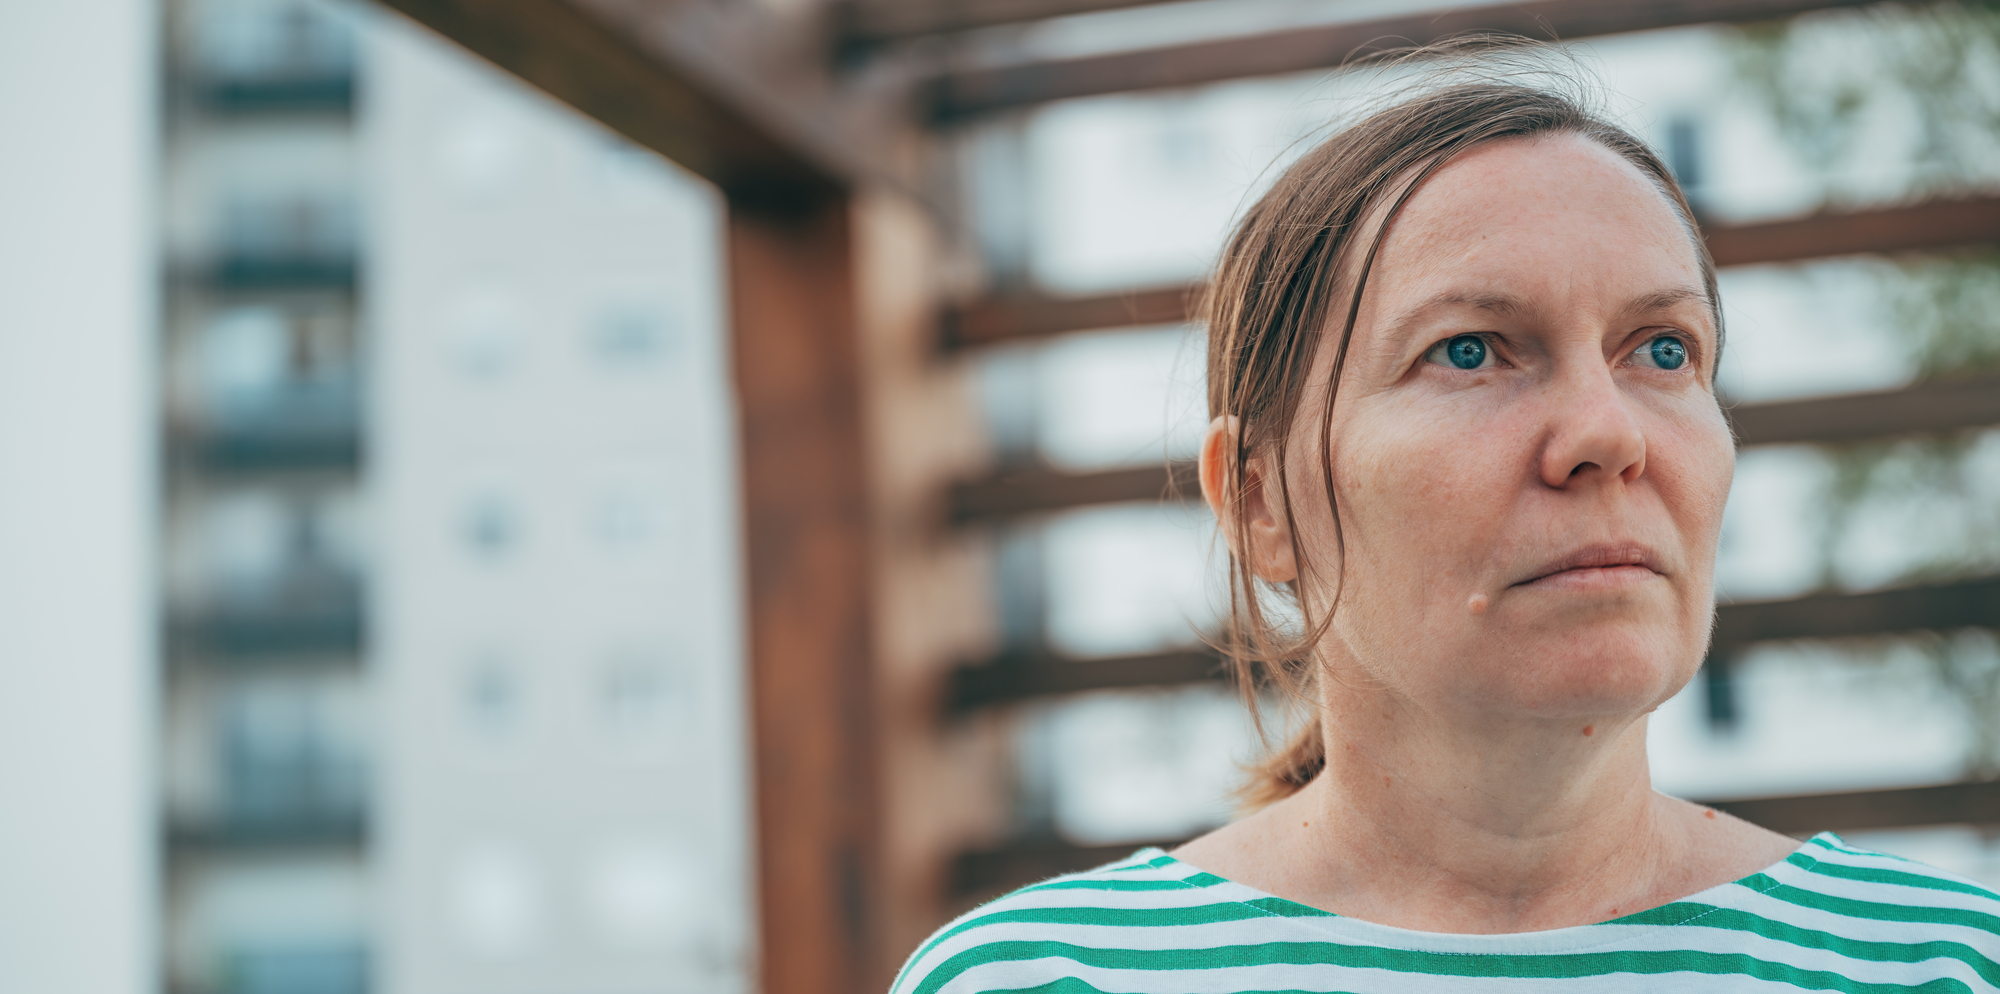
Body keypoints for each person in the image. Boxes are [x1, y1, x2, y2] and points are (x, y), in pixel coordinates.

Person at [891, 46, 2000, 993]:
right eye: (1468, 350)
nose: (1606, 433)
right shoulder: (1046, 977)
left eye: (1662, 349)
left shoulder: (1936, 964)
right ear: (1259, 498)